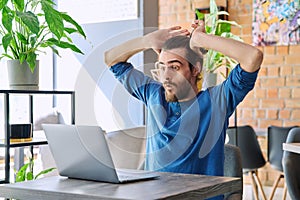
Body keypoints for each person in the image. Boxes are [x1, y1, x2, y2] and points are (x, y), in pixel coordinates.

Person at [104, 20, 263, 196]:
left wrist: (201, 39)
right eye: (162, 67)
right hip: (154, 196)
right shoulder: (153, 94)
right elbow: (111, 59)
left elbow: (252, 56)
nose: (166, 76)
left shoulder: (217, 102)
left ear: (195, 69)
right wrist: (147, 41)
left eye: (174, 67)